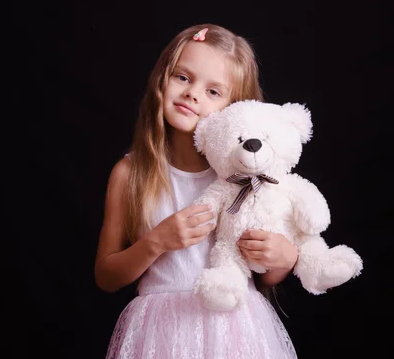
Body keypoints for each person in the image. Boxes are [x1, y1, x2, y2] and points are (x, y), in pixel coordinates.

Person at [95, 23, 300, 358]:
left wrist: (285, 257)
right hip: (160, 333)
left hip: (235, 330)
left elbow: (267, 274)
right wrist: (157, 241)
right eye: (183, 77)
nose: (193, 94)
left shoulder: (244, 175)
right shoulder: (129, 173)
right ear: (161, 79)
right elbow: (106, 276)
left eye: (214, 92)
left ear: (236, 107)